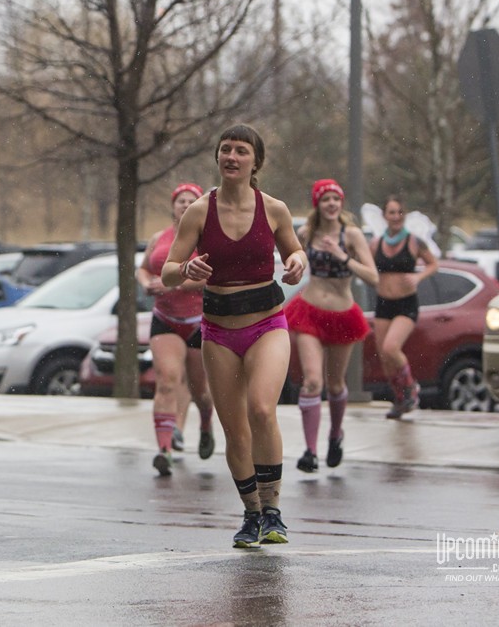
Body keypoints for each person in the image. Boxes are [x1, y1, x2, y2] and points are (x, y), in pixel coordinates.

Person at [162, 124, 306, 548]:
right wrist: (186, 270)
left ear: (254, 162)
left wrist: (297, 261)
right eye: (225, 149)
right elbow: (168, 270)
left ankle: (273, 510)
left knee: (262, 409)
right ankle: (251, 514)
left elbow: (293, 250)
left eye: (241, 151)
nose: (231, 156)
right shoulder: (200, 212)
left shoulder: (274, 209)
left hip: (266, 324)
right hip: (219, 331)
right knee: (235, 429)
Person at [285, 179, 378, 473]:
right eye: (325, 199)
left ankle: (335, 435)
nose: (331, 204)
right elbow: (293, 260)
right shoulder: (306, 233)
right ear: (317, 204)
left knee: (336, 383)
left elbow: (373, 277)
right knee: (313, 381)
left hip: (342, 314)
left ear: (341, 203)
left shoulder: (351, 235)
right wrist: (292, 266)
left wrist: (343, 257)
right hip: (310, 311)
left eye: (336, 199)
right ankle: (310, 451)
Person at [136, 182, 216, 476]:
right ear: (173, 206)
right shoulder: (160, 237)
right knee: (167, 382)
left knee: (200, 392)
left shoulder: (206, 239)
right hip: (165, 319)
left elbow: (212, 278)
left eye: (191, 200)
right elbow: (144, 268)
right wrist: (147, 283)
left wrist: (175, 282)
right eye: (180, 200)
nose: (185, 205)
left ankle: (206, 423)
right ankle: (164, 450)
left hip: (197, 321)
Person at [369, 195, 438, 419]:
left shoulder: (414, 241)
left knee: (391, 348)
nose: (396, 217)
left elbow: (433, 263)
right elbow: (366, 266)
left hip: (406, 304)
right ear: (384, 216)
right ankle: (400, 399)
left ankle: (410, 387)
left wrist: (418, 278)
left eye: (400, 212)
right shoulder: (376, 243)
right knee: (385, 356)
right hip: (383, 303)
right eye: (392, 212)